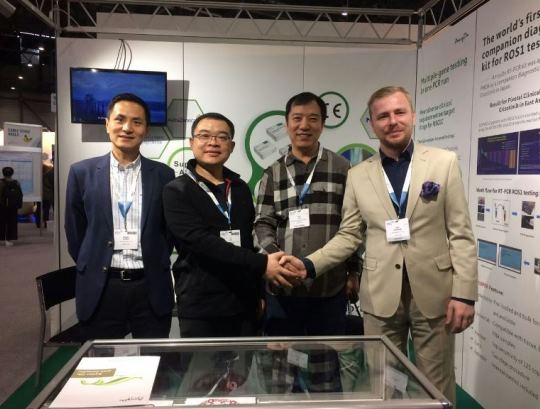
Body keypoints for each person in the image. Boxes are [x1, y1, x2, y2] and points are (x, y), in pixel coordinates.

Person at [282, 86, 477, 405]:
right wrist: (309, 264)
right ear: (372, 124)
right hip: (379, 292)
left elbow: (461, 233)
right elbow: (349, 235)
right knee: (383, 380)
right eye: (383, 116)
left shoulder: (444, 163)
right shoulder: (358, 174)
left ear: (413, 116)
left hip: (435, 292)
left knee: (436, 382)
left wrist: (464, 293)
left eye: (399, 112)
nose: (392, 121)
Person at [162, 112, 302, 338]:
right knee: (202, 363)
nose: (213, 143)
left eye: (222, 137)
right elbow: (201, 242)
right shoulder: (177, 190)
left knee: (245, 362)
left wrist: (260, 293)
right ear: (192, 142)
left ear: (232, 145)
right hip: (202, 306)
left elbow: (248, 241)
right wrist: (262, 264)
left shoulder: (240, 188)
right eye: (204, 136)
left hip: (244, 304)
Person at [65, 92, 175, 339]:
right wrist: (93, 261)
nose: (127, 128)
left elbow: (167, 233)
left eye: (137, 122)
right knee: (101, 360)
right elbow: (75, 231)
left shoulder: (163, 175)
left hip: (150, 285)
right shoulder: (82, 173)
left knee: (154, 357)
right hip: (102, 286)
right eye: (120, 119)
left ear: (146, 129)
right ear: (107, 124)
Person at [254, 91, 361, 337]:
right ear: (287, 124)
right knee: (280, 357)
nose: (304, 125)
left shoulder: (344, 169)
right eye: (297, 118)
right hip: (282, 287)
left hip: (329, 286)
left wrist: (354, 271)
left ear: (323, 124)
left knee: (326, 356)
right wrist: (277, 260)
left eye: (313, 118)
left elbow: (352, 226)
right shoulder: (273, 173)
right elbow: (263, 223)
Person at [0, 166, 23, 246]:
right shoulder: (16, 183)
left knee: (2, 222)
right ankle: (9, 239)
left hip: (2, 206)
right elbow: (20, 195)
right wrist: (19, 205)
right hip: (13, 206)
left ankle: (2, 238)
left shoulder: (1, 182)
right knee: (11, 223)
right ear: (12, 173)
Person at [35, 163, 54, 228]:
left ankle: (38, 223)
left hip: (39, 195)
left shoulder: (38, 176)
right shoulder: (47, 175)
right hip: (47, 195)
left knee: (39, 210)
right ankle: (46, 223)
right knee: (46, 210)